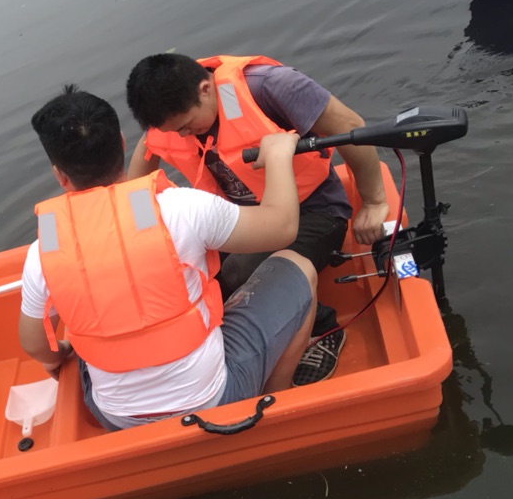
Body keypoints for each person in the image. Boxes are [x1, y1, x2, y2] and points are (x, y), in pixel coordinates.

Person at [18, 85, 317, 431]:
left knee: (78, 325)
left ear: (59, 174)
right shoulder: (182, 208)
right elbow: (281, 227)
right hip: (214, 401)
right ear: (122, 143)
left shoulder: (44, 250)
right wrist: (278, 155)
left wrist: (60, 353)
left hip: (117, 419)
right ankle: (272, 405)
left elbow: (35, 344)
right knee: (300, 267)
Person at [124, 53, 389, 385]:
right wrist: (139, 230)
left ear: (205, 90)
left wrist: (374, 201)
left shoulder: (271, 86)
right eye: (175, 132)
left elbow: (349, 126)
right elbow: (137, 182)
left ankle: (324, 328)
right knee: (185, 276)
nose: (183, 136)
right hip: (245, 218)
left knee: (240, 271)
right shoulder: (170, 120)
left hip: (315, 211)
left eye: (187, 126)